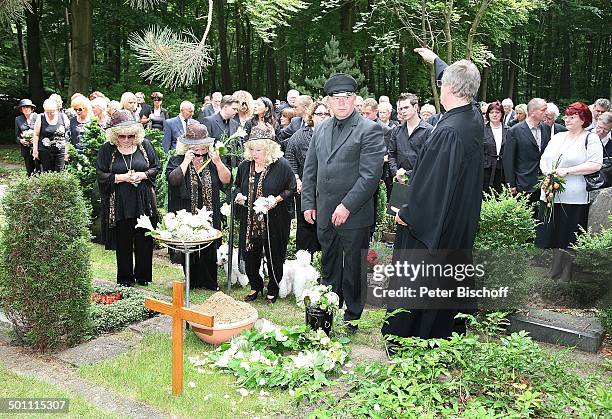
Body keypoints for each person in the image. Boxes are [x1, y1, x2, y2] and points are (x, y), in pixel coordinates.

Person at [382, 47, 484, 342]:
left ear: (448, 88)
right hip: (458, 221)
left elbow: (433, 185)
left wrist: (407, 214)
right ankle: (446, 333)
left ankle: (409, 337)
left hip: (432, 228)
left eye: (442, 82)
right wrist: (437, 61)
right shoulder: (472, 117)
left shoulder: (447, 131)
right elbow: (460, 80)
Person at [301, 73, 385, 332]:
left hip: (354, 213)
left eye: (347, 97)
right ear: (327, 101)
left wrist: (347, 205)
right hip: (325, 211)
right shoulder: (322, 127)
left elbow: (370, 176)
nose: (342, 103)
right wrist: (308, 204)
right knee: (329, 263)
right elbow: (310, 168)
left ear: (355, 99)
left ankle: (352, 315)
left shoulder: (370, 130)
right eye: (336, 98)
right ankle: (329, 307)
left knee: (353, 266)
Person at [536, 102, 602, 282]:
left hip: (575, 195)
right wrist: (547, 172)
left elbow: (595, 164)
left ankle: (567, 271)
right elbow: (544, 159)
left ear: (583, 120)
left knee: (570, 233)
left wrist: (568, 171)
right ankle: (555, 267)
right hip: (551, 193)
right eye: (566, 116)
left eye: (572, 117)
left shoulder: (591, 138)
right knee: (555, 231)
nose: (567, 119)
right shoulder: (558, 136)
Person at [96, 110, 160, 286]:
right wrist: (121, 178)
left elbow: (155, 167)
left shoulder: (145, 146)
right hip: (120, 202)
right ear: (115, 135)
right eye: (122, 136)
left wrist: (143, 175)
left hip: (143, 200)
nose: (126, 140)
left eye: (130, 136)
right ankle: (125, 278)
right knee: (123, 240)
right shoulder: (107, 150)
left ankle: (143, 276)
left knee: (144, 238)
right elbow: (101, 174)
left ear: (136, 134)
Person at [166, 123, 231, 290]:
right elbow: (173, 180)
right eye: (196, 150)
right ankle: (192, 281)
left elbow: (227, 180)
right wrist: (187, 162)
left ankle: (210, 281)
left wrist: (217, 162)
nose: (200, 153)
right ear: (187, 147)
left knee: (209, 245)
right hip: (188, 212)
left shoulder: (212, 161)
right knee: (191, 245)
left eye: (203, 149)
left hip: (210, 211)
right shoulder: (177, 160)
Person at [235, 132, 296, 303]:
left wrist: (276, 200)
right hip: (250, 221)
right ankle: (255, 285)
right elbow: (237, 186)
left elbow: (291, 188)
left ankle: (273, 288)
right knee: (250, 255)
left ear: (268, 150)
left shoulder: (281, 165)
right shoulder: (245, 166)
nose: (255, 153)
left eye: (259, 150)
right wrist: (239, 195)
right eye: (252, 149)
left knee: (274, 255)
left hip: (275, 220)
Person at [285, 101, 329, 254]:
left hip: (327, 190)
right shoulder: (300, 135)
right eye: (319, 114)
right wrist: (296, 179)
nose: (323, 117)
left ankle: (323, 259)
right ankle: (305, 262)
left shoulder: (334, 135)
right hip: (306, 188)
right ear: (312, 116)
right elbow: (290, 157)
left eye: (326, 114)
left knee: (324, 226)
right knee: (306, 227)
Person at [503, 98, 552, 209]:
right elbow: (508, 159)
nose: (547, 113)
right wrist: (511, 184)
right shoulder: (515, 131)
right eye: (543, 110)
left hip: (544, 183)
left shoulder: (546, 129)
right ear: (533, 112)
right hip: (523, 183)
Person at [388, 93, 432, 181]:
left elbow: (429, 160)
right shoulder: (397, 130)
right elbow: (391, 155)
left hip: (421, 180)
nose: (403, 111)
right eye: (401, 109)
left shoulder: (429, 131)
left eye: (406, 107)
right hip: (399, 181)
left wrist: (407, 174)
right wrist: (396, 172)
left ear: (415, 107)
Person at [201, 95, 240, 167]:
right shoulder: (208, 121)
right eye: (234, 109)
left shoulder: (235, 124)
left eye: (237, 109)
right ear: (225, 107)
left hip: (231, 166)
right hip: (213, 165)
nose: (236, 111)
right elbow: (204, 146)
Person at [32, 98, 70, 172]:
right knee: (47, 172)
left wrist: (67, 150)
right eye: (47, 112)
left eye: (52, 112)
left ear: (57, 110)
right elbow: (36, 134)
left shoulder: (63, 117)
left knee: (60, 171)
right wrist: (35, 150)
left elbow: (68, 134)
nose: (49, 114)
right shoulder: (40, 117)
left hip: (60, 150)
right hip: (45, 150)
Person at [483, 101, 508, 192]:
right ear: (488, 114)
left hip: (502, 169)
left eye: (497, 112)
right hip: (485, 169)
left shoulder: (508, 130)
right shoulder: (482, 130)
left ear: (502, 114)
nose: (494, 115)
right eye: (491, 112)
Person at [14, 99, 39, 176]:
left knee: (39, 168)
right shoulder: (18, 119)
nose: (26, 109)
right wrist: (21, 140)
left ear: (32, 108)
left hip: (38, 148)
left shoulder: (38, 117)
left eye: (28, 107)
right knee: (29, 170)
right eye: (23, 107)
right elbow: (17, 136)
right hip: (25, 148)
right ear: (21, 109)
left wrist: (35, 139)